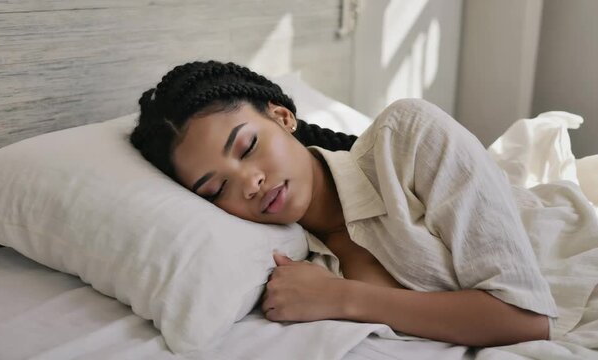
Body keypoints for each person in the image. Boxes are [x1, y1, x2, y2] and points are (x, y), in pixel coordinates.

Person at [128, 60, 566, 348]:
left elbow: (526, 319)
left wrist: (344, 298)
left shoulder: (408, 136)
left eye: (247, 147)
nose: (249, 183)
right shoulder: (284, 261)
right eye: (216, 189)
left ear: (282, 117)